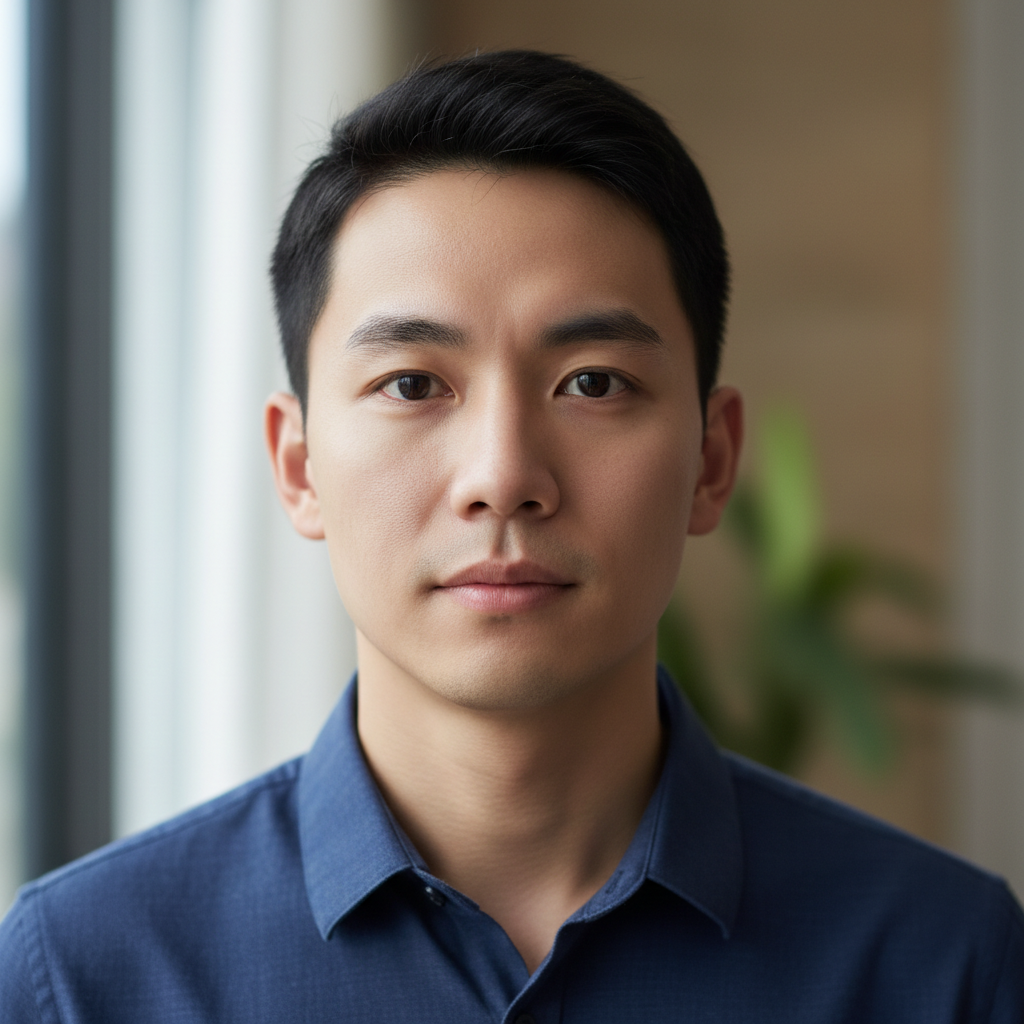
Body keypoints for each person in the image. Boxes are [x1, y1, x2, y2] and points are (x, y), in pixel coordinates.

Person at [1, 49, 1021, 1023]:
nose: (502, 476)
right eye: (412, 384)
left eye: (593, 383)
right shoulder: (82, 975)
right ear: (299, 466)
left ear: (711, 462)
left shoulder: (943, 962)